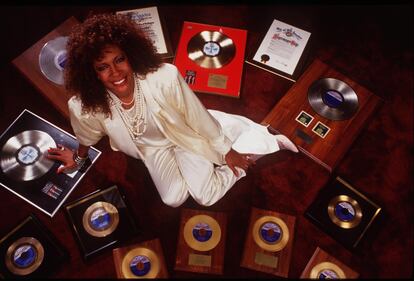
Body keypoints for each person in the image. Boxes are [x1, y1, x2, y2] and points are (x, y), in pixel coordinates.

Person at [47, 13, 298, 207]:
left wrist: (228, 152)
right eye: (102, 67)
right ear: (92, 73)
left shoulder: (165, 77)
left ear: (131, 55)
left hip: (186, 133)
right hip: (152, 149)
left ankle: (258, 147)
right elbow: (87, 137)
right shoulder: (84, 107)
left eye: (119, 60)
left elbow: (196, 117)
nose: (115, 73)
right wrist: (78, 160)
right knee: (173, 199)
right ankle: (227, 142)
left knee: (205, 196)